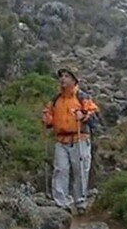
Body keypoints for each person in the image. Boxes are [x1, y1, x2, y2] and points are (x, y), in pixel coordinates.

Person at [42, 68, 99, 213]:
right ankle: (61, 203)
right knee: (60, 170)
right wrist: (48, 119)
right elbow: (48, 112)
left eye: (67, 76)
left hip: (80, 138)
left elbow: (93, 113)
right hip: (61, 140)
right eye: (61, 76)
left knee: (80, 170)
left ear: (74, 80)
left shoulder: (82, 97)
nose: (63, 79)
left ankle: (80, 202)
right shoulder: (56, 99)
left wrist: (84, 115)